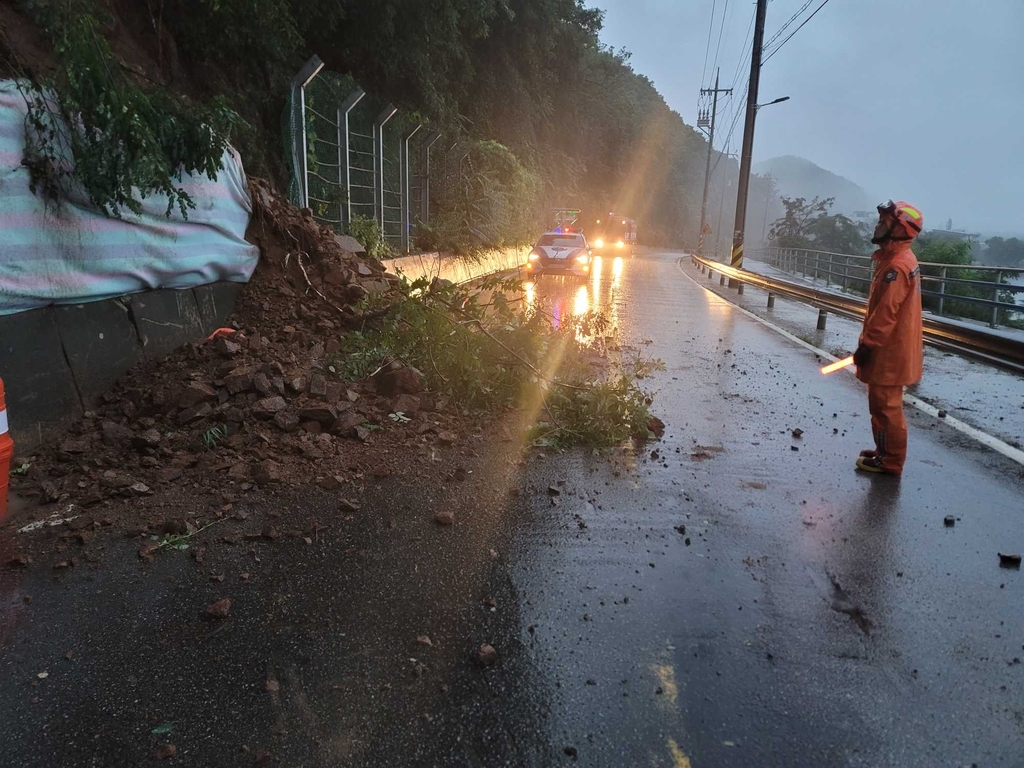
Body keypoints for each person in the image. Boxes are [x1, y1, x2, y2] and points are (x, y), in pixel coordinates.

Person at [853, 200, 924, 476]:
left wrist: (868, 345)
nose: (878, 225)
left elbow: (886, 313)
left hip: (890, 350)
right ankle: (884, 451)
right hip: (892, 348)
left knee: (886, 406)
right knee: (881, 403)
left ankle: (891, 460)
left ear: (899, 228)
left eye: (884, 221)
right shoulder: (896, 260)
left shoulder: (897, 266)